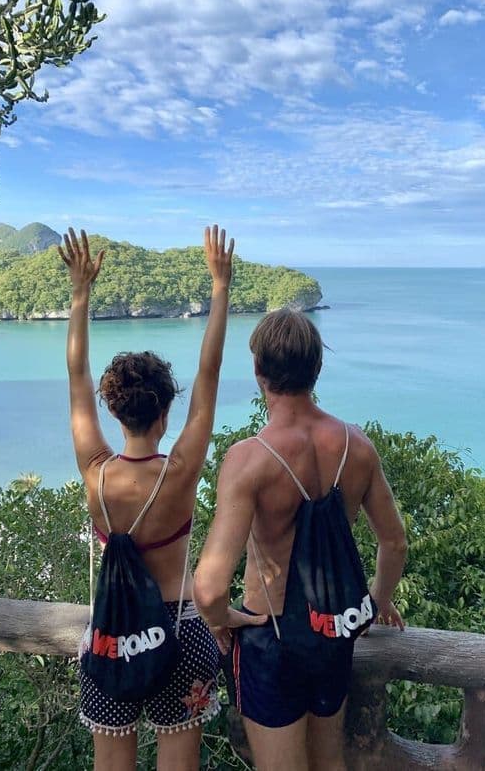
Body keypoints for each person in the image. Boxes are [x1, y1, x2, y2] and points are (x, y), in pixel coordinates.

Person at [59, 225, 245, 771]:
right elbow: (208, 377)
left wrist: (80, 294)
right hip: (181, 629)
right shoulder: (180, 472)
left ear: (114, 412)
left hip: (113, 636)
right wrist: (220, 287)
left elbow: (76, 376)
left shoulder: (95, 472)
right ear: (166, 412)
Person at [193, 308, 408, 771]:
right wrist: (375, 602)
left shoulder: (249, 460)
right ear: (317, 369)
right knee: (329, 761)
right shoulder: (357, 446)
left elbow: (208, 589)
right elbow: (394, 543)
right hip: (332, 629)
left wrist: (221, 619)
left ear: (258, 371)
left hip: (269, 635)